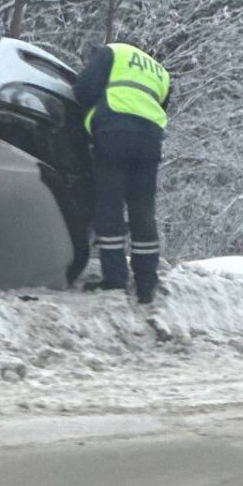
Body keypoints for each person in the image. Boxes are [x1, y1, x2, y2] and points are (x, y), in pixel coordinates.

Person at [73, 40, 171, 304]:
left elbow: (83, 91)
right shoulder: (159, 71)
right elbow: (162, 105)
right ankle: (146, 283)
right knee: (143, 211)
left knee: (110, 208)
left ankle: (115, 279)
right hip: (149, 141)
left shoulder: (110, 52)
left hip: (113, 134)